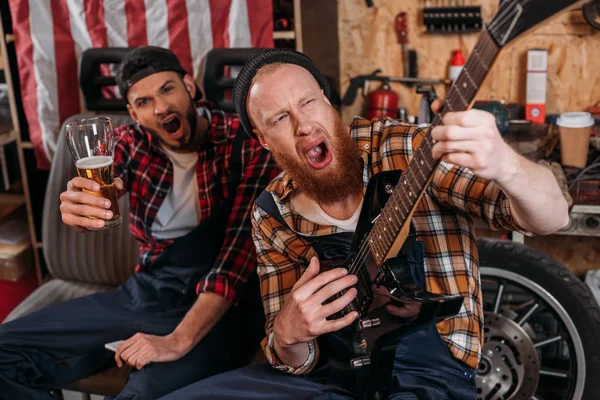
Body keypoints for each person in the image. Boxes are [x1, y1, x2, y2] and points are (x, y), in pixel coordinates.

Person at [158, 49, 569, 399]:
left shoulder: (408, 149)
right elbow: (296, 362)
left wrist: (507, 167)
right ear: (264, 140)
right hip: (330, 379)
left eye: (307, 103)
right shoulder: (273, 212)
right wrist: (286, 336)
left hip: (428, 373)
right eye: (280, 119)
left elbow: (552, 217)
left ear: (327, 100)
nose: (303, 126)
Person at [0, 46, 279, 400]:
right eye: (144, 102)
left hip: (226, 307)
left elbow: (236, 259)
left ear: (189, 87)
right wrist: (80, 204)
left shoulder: (246, 142)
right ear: (133, 113)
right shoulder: (131, 143)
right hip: (150, 293)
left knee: (144, 393)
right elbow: (108, 179)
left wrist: (178, 341)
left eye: (167, 89)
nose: (161, 107)